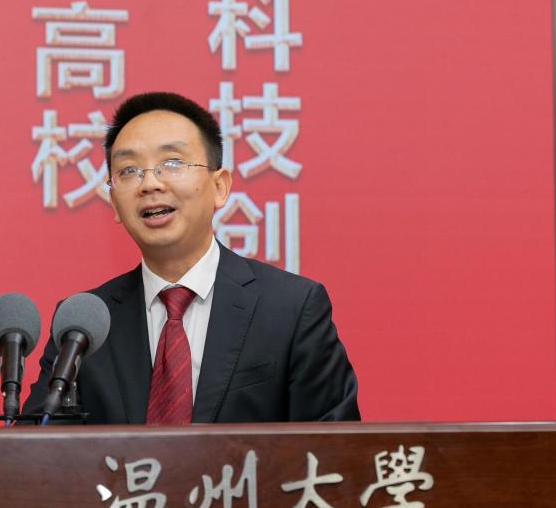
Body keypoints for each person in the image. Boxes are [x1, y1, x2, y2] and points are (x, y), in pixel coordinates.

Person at [22, 91, 359, 424]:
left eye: (171, 164)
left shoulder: (292, 308)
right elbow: (37, 447)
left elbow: (335, 448)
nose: (149, 183)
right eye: (128, 170)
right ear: (114, 203)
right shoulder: (83, 326)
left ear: (220, 187)